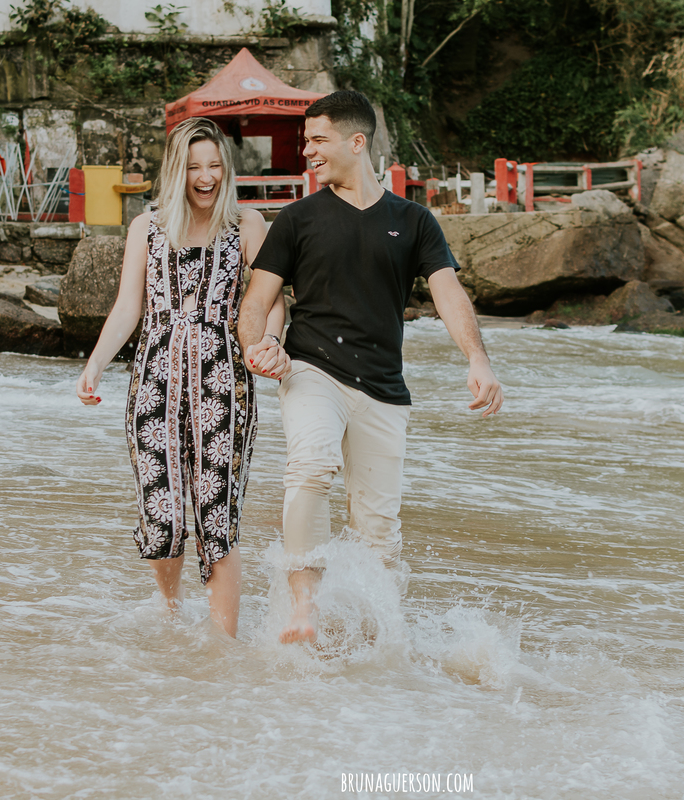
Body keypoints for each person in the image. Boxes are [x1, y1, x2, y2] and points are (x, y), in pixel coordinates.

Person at [238, 90, 504, 645]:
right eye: (305, 140)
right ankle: (304, 607)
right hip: (311, 369)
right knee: (311, 466)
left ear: (356, 142)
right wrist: (258, 346)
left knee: (378, 532)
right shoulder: (298, 218)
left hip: (384, 388)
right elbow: (256, 301)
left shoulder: (414, 221)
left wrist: (477, 359)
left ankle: (376, 647)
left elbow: (448, 293)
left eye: (318, 140)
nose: (307, 150)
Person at [75, 117, 290, 637]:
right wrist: (96, 363)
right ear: (177, 170)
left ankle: (222, 646)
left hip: (226, 384)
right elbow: (128, 307)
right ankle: (171, 614)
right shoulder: (146, 228)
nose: (206, 177)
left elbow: (271, 300)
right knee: (162, 513)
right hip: (154, 382)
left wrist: (270, 341)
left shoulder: (247, 225)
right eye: (195, 167)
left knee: (217, 516)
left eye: (215, 166)